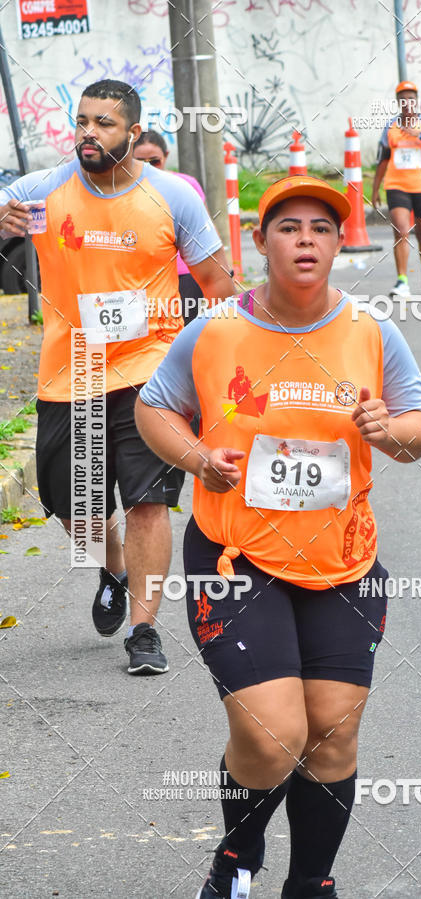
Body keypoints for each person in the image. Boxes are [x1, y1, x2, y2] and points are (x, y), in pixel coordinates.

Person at [135, 174, 421, 897]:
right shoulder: (216, 329)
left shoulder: (371, 331)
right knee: (273, 735)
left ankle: (311, 883)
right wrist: (197, 458)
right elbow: (155, 407)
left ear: (338, 244)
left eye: (321, 228)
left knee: (332, 731)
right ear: (261, 242)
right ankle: (236, 860)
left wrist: (390, 430)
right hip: (236, 558)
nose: (306, 239)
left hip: (343, 559)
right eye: (289, 227)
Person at [0, 79, 235, 674]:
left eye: (103, 123)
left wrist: (215, 366)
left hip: (150, 372)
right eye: (81, 121)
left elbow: (219, 285)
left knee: (147, 503)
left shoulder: (171, 196)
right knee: (75, 509)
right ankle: (115, 569)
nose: (88, 133)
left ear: (132, 132)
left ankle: (144, 630)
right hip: (71, 371)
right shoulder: (40, 190)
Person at [372, 80, 421, 300]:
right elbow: (383, 160)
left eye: (411, 99)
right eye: (403, 100)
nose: (407, 103)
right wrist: (375, 190)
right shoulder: (390, 126)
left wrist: (420, 135)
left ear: (417, 101)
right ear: (398, 103)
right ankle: (402, 281)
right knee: (401, 230)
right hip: (397, 185)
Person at [134, 130, 206, 325]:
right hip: (141, 278)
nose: (148, 168)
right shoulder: (122, 190)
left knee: (185, 334)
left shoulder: (186, 184)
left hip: (185, 275)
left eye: (154, 161)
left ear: (165, 156)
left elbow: (204, 231)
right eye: (140, 161)